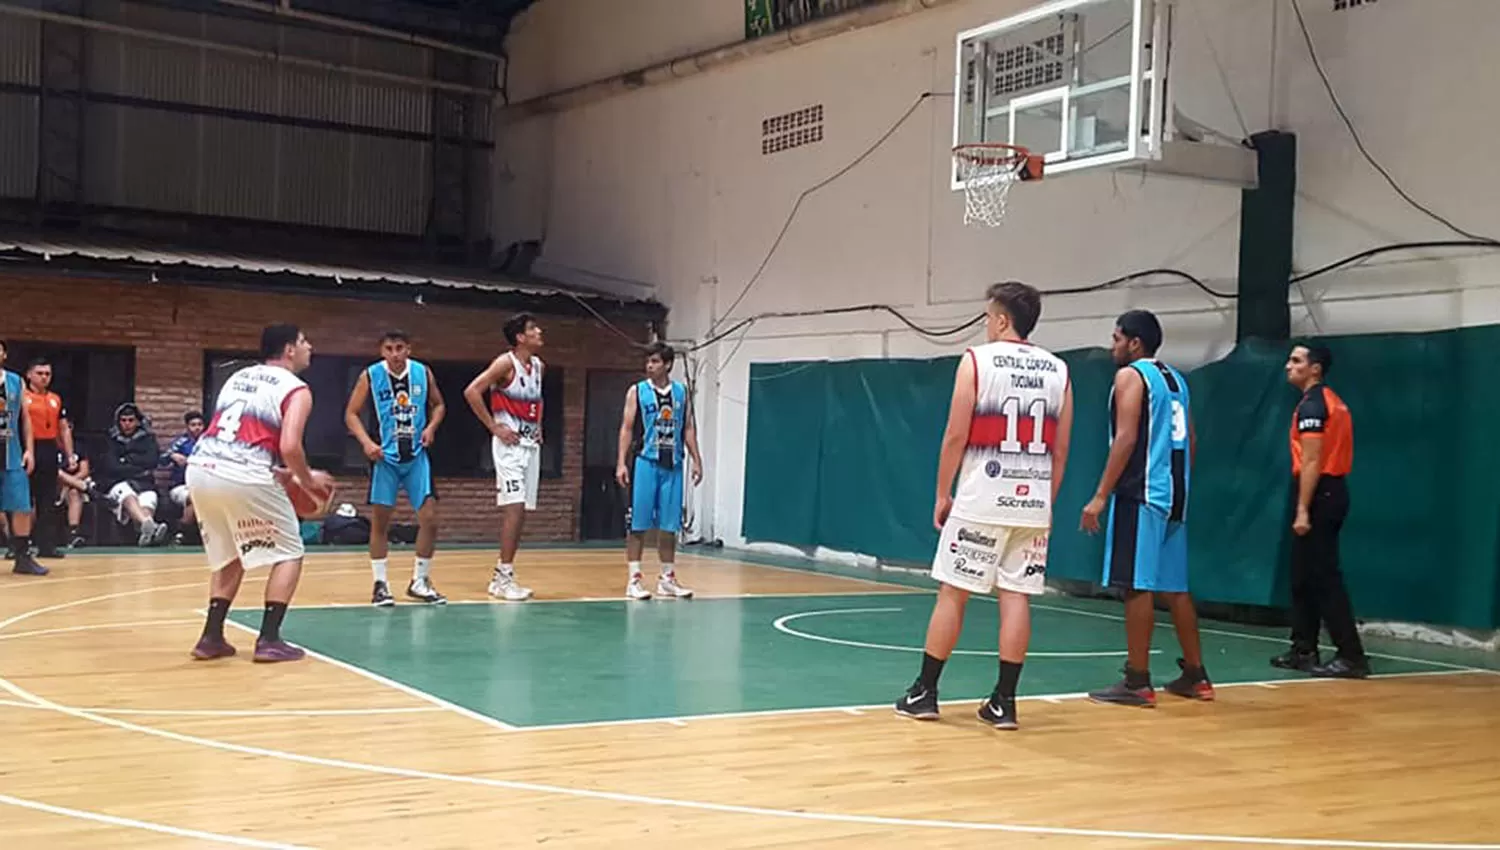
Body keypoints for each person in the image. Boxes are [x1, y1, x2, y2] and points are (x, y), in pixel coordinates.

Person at [894, 282, 1074, 731]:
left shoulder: (977, 360)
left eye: (987, 316)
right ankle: (1004, 703)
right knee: (1016, 597)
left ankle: (925, 692)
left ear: (1001, 319)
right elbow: (1061, 449)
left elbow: (956, 434)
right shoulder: (1059, 370)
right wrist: (1044, 503)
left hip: (982, 498)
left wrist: (942, 492)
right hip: (1032, 501)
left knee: (954, 592)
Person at [1081, 310, 1213, 707]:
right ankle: (1196, 674)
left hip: (1141, 493)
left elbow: (1125, 439)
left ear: (1135, 343)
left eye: (1117, 338)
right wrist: (1179, 487)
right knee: (1175, 589)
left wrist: (1101, 494)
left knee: (1136, 585)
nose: (1113, 345)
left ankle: (1137, 680)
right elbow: (1190, 441)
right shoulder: (1177, 380)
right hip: (1175, 495)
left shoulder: (1131, 376)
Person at [187, 323, 326, 663]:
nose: (310, 346)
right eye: (305, 340)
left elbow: (239, 431)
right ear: (290, 350)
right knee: (290, 551)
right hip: (242, 473)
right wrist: (305, 479)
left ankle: (211, 637)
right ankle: (269, 640)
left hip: (201, 468)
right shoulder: (297, 389)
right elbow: (290, 444)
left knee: (230, 552)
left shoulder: (237, 376)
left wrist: (278, 469)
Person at [1274, 343, 1369, 678]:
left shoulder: (1316, 405)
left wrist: (1303, 509)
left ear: (1315, 369)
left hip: (1322, 492)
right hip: (1322, 491)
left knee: (1325, 576)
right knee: (1302, 574)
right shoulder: (1320, 402)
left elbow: (1313, 460)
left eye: (1297, 361)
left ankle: (1352, 656)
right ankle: (1304, 648)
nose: (1289, 366)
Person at [345, 330, 447, 607]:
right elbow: (351, 413)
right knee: (381, 522)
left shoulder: (422, 373)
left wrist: (431, 427)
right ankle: (380, 584)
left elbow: (439, 405)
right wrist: (366, 442)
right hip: (385, 458)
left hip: (416, 456)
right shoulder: (370, 375)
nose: (395, 354)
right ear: (382, 351)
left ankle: (420, 581)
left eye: (399, 348)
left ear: (409, 349)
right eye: (389, 348)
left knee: (430, 517)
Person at [464, 313, 545, 602]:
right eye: (533, 328)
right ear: (520, 337)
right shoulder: (504, 363)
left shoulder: (538, 366)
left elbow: (537, 399)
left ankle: (505, 573)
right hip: (509, 447)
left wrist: (539, 428)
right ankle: (502, 577)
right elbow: (472, 391)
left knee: (522, 512)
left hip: (529, 445)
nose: (539, 331)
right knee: (515, 507)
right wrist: (493, 427)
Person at [615, 342, 702, 600]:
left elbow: (687, 428)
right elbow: (626, 427)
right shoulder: (637, 391)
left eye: (654, 361)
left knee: (669, 525)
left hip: (673, 465)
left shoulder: (682, 393)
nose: (649, 366)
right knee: (639, 524)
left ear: (667, 364)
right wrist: (621, 462)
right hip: (645, 462)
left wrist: (697, 459)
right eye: (648, 361)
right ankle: (634, 579)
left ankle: (667, 578)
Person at [1, 340, 47, 576]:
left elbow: (25, 419)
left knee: (21, 504)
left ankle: (22, 557)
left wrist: (29, 450)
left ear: (4, 354)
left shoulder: (15, 381)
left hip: (10, 448)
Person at [22, 357, 74, 558]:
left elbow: (63, 428)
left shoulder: (55, 398)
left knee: (47, 499)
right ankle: (19, 546)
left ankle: (46, 545)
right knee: (23, 500)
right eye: (40, 373)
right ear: (29, 375)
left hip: (49, 449)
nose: (44, 378)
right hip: (27, 448)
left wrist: (70, 455)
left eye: (47, 374)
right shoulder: (22, 397)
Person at [100, 402, 170, 547]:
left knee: (148, 500)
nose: (127, 424)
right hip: (118, 483)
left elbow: (152, 461)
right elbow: (111, 466)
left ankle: (147, 531)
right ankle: (150, 525)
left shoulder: (148, 439)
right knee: (128, 495)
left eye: (131, 420)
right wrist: (138, 465)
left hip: (144, 483)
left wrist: (125, 460)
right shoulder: (111, 440)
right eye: (123, 420)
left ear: (137, 421)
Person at [161, 410, 205, 544]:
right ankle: (181, 532)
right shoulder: (181, 443)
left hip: (205, 486)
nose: (197, 427)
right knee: (194, 497)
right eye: (193, 424)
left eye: (199, 424)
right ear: (187, 427)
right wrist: (172, 455)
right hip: (181, 486)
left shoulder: (210, 444)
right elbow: (161, 460)